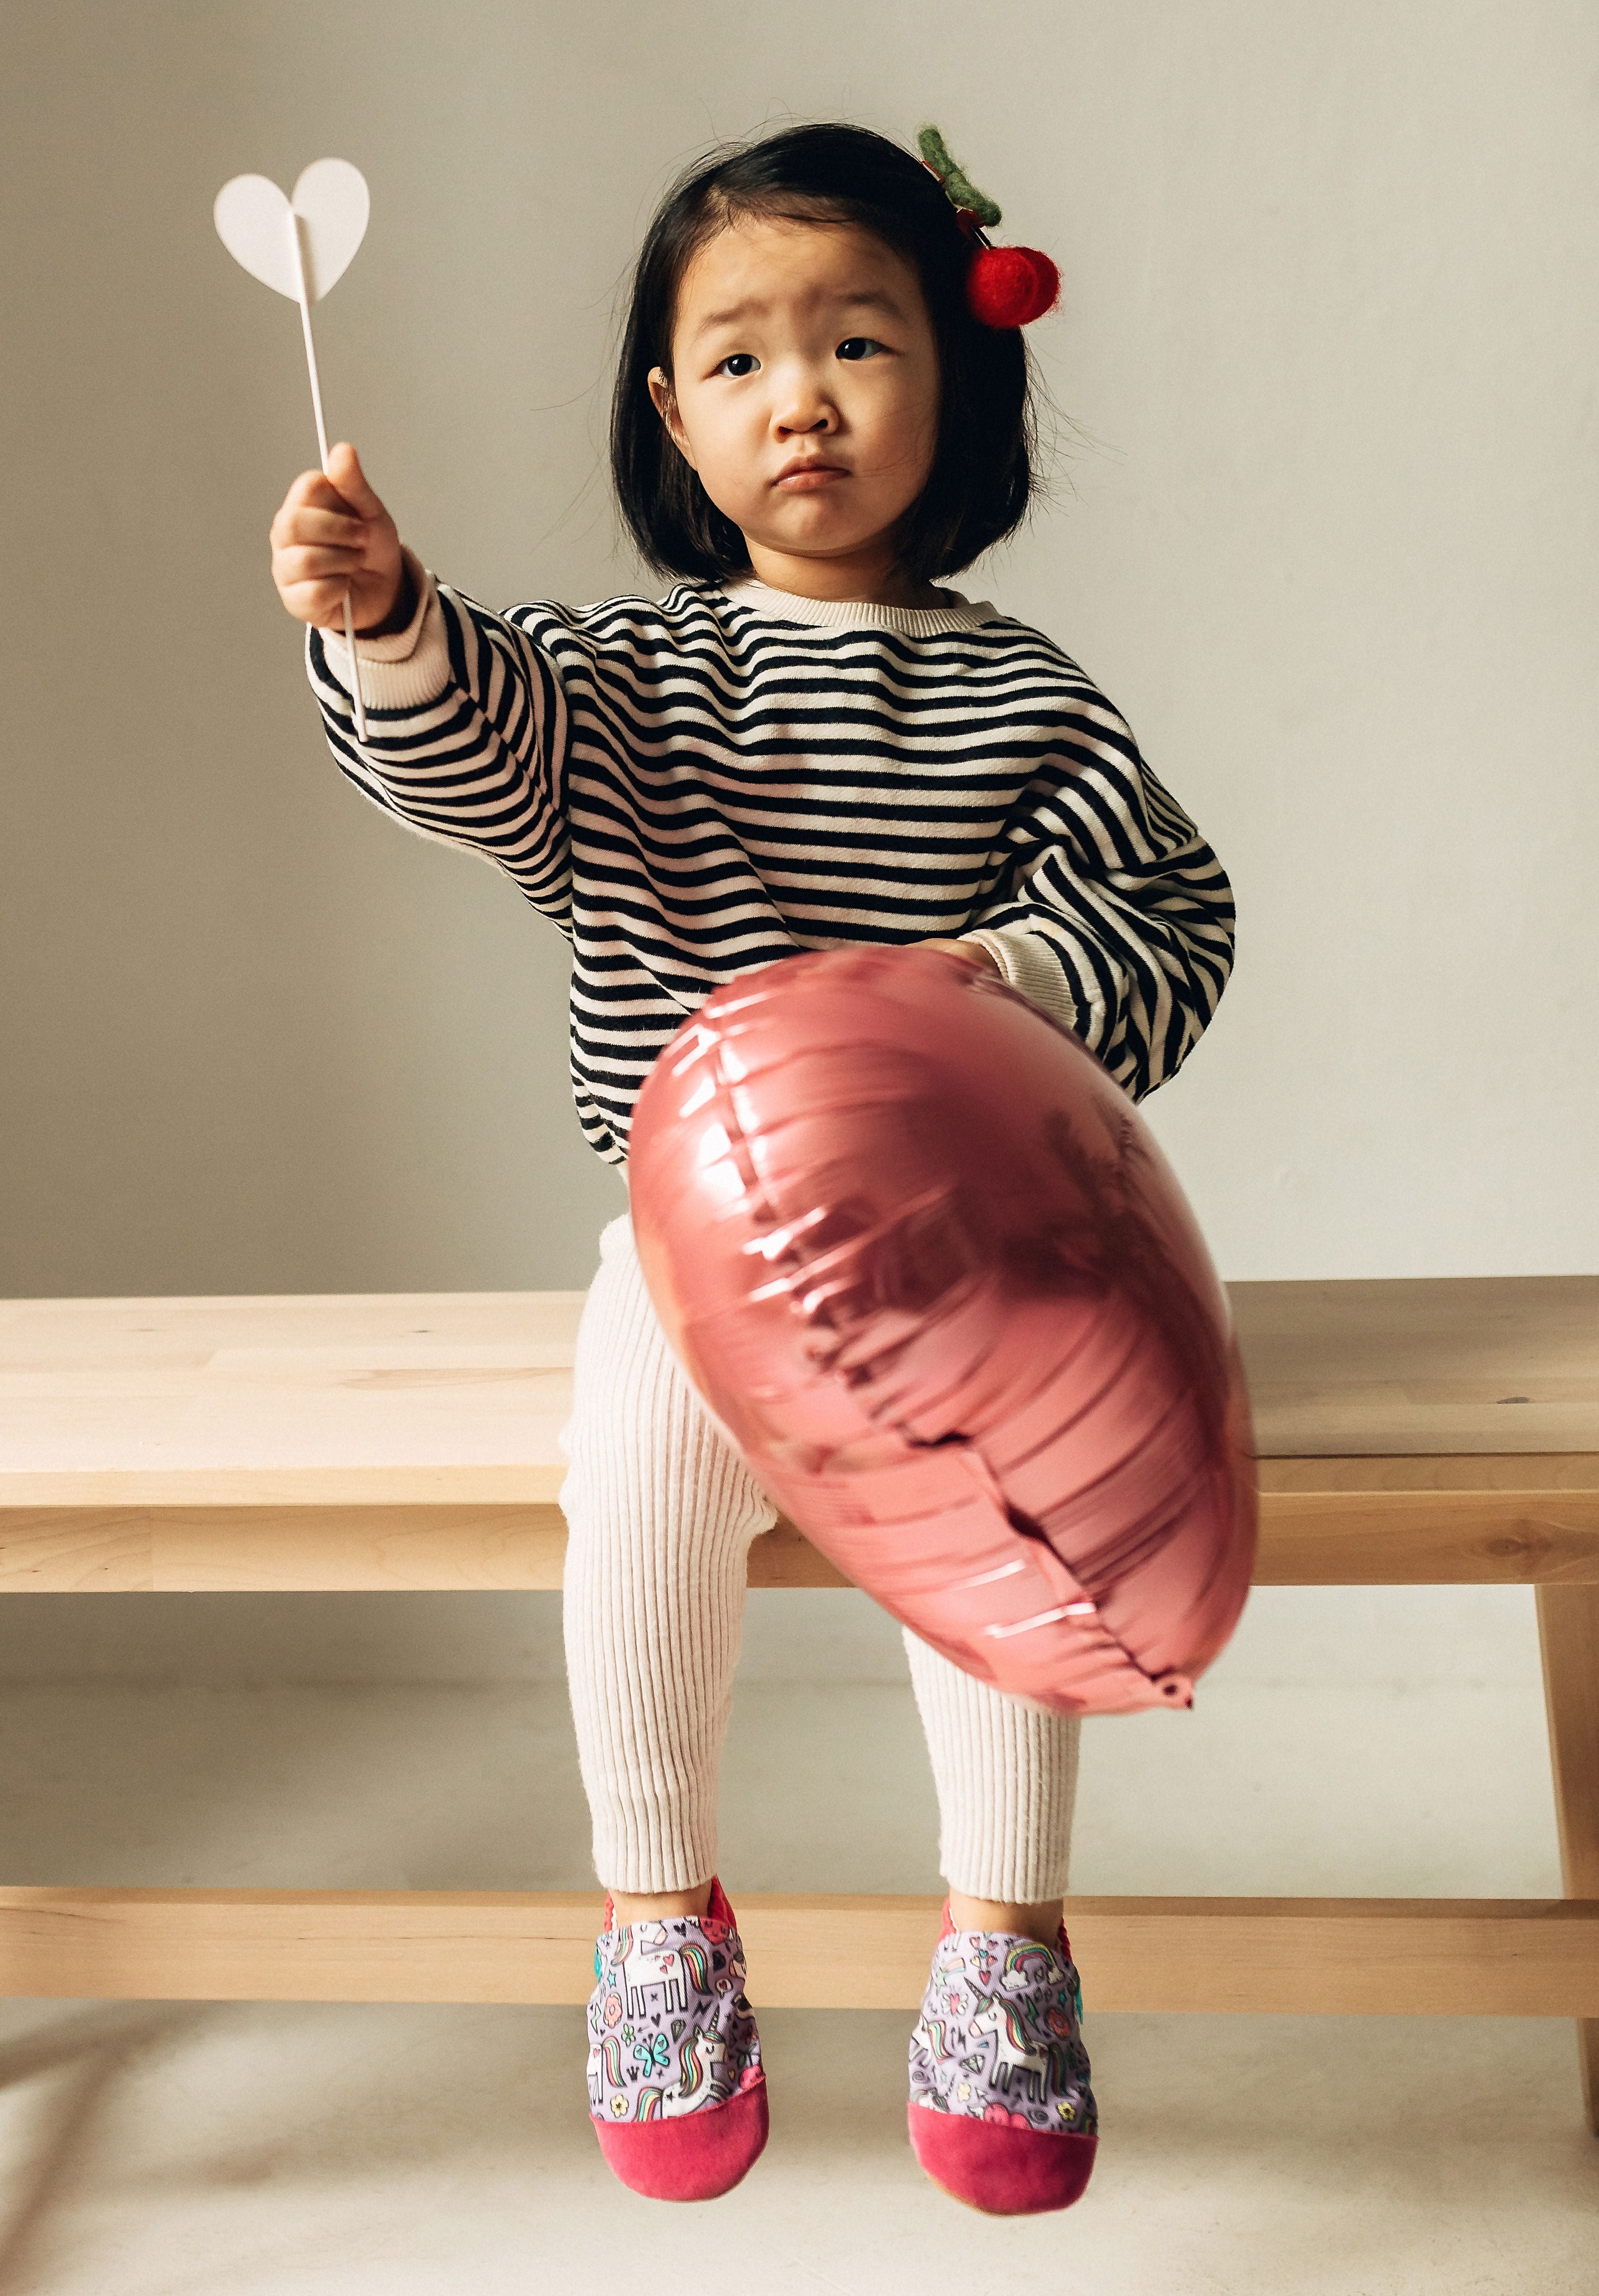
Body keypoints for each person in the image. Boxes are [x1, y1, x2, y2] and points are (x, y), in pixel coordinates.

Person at [267, 121, 1235, 2215]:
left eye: (861, 342)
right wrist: (392, 624)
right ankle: (654, 1918)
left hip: (965, 1248)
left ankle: (1008, 1939)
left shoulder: (1024, 695)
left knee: (1007, 1517)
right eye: (739, 359)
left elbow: (1170, 914)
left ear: (957, 381)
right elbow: (481, 743)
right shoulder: (630, 685)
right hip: (694, 1248)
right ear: (671, 415)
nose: (802, 396)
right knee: (633, 1481)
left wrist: (1005, 978)